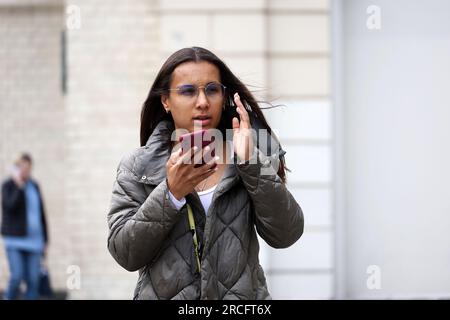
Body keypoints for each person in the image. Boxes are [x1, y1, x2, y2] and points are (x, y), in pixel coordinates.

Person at [107, 47, 304, 300]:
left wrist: (251, 164)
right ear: (166, 101)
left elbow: (286, 234)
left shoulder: (249, 155)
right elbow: (125, 253)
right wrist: (171, 194)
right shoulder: (137, 166)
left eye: (212, 90)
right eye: (188, 91)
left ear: (224, 98)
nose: (202, 102)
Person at [1, 153, 49, 300]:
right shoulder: (8, 186)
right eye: (22, 168)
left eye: (28, 168)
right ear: (17, 168)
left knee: (33, 281)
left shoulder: (34, 186)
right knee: (17, 276)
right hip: (15, 241)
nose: (25, 172)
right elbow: (10, 206)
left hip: (35, 242)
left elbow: (41, 214)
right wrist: (19, 187)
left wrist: (45, 240)